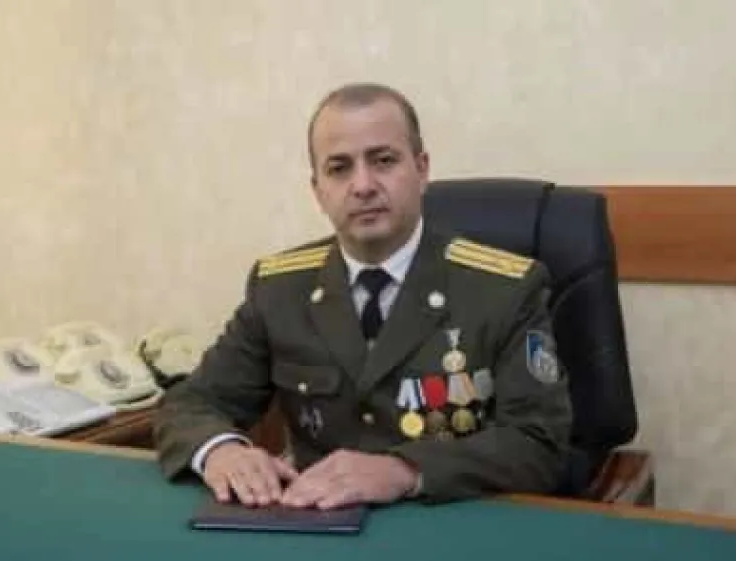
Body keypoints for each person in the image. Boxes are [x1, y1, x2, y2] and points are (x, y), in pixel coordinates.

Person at [153, 82, 573, 509]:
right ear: (318, 191)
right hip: (316, 523)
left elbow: (540, 443)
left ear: (422, 170)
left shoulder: (503, 289)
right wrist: (221, 450)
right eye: (339, 168)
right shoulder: (279, 289)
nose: (363, 185)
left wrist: (405, 470)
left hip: (447, 519)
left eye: (383, 160)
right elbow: (191, 402)